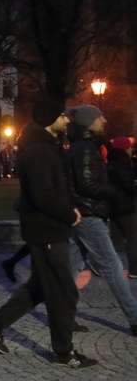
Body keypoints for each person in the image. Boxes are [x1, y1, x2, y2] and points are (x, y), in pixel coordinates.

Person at [0, 99, 97, 368]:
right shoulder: (40, 152)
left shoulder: (47, 148)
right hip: (46, 231)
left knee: (41, 287)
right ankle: (64, 352)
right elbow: (43, 196)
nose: (67, 119)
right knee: (64, 292)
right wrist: (70, 215)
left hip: (50, 228)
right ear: (49, 118)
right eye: (62, 115)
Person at [65, 105, 137, 337]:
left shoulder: (84, 145)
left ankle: (62, 314)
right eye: (99, 117)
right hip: (89, 214)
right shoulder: (85, 148)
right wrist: (114, 191)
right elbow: (87, 184)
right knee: (112, 265)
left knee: (72, 267)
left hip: (84, 212)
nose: (104, 120)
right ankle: (134, 317)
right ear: (89, 122)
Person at [107, 136, 137, 278]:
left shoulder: (111, 163)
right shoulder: (123, 165)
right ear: (125, 148)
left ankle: (106, 267)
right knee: (133, 238)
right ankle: (134, 269)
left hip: (113, 207)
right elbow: (129, 188)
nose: (132, 149)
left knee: (115, 240)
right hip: (125, 207)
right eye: (130, 146)